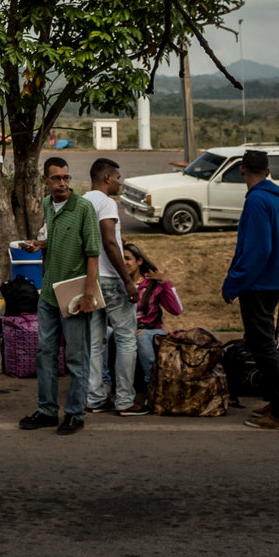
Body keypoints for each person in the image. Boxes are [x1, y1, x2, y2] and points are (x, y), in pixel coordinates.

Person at [16, 157, 101, 434]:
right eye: (56, 178)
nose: (63, 183)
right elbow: (57, 239)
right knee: (45, 354)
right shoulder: (47, 204)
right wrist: (39, 245)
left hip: (74, 294)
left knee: (76, 357)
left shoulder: (84, 208)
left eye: (66, 177)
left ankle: (75, 414)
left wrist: (88, 296)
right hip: (49, 293)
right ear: (46, 181)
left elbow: (92, 253)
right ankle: (47, 410)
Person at [223, 150, 279, 431]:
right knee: (263, 345)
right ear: (267, 170)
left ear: (241, 170)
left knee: (263, 347)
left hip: (258, 284)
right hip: (274, 281)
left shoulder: (256, 200)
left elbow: (256, 250)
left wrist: (233, 284)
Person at [84, 158, 140, 417]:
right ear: (106, 178)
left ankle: (94, 397)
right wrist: (128, 281)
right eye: (117, 177)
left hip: (90, 280)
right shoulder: (107, 203)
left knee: (95, 342)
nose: (120, 181)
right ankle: (126, 400)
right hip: (110, 279)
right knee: (126, 338)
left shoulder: (83, 201)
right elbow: (108, 241)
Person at [129, 243, 182, 404]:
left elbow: (177, 309)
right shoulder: (116, 284)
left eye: (128, 258)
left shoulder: (152, 284)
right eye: (121, 258)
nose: (124, 262)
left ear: (139, 261)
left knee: (141, 336)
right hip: (125, 330)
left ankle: (152, 386)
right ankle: (104, 388)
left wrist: (166, 283)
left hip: (150, 330)